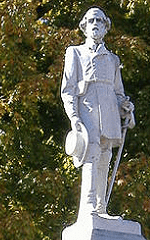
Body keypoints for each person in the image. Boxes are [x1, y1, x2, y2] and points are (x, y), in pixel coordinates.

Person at [61, 7, 135, 220]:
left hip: (109, 111)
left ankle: (101, 208)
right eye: (91, 20)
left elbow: (118, 92)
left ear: (105, 27)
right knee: (91, 154)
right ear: (84, 25)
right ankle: (89, 207)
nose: (95, 24)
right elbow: (68, 89)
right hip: (88, 109)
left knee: (105, 156)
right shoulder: (75, 52)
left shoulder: (113, 59)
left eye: (100, 21)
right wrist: (74, 117)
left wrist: (125, 106)